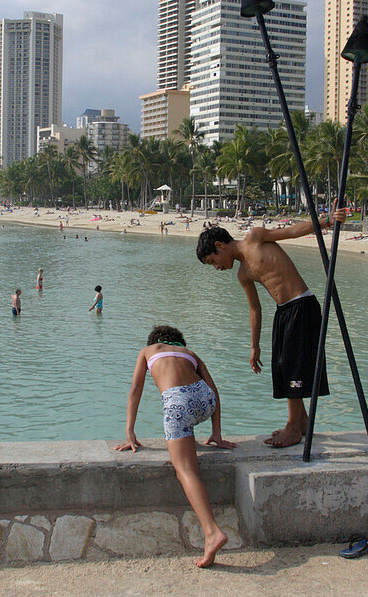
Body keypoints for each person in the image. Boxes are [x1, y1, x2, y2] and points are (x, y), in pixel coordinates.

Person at [196, 202, 347, 447]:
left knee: (292, 365)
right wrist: (254, 347)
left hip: (302, 304)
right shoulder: (242, 274)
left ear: (219, 246)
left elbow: (290, 232)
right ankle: (302, 422)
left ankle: (292, 427)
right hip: (284, 312)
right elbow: (254, 308)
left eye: (213, 261)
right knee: (282, 366)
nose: (217, 267)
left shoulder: (255, 237)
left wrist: (325, 222)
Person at [114, 325, 236, 567]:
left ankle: (212, 532)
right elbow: (214, 390)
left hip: (178, 402)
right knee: (188, 442)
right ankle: (212, 532)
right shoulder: (191, 354)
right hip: (204, 399)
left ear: (155, 341)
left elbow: (135, 390)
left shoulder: (147, 351)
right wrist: (216, 433)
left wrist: (130, 431)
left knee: (186, 471)